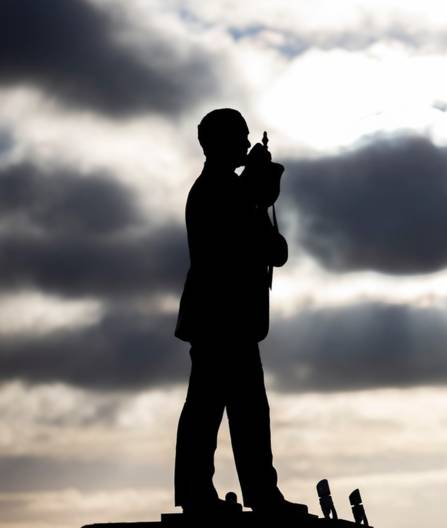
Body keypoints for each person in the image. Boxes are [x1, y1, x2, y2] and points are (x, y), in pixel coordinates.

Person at [173, 108, 307, 518]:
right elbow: (268, 245)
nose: (247, 146)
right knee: (220, 409)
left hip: (226, 322)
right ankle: (233, 494)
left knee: (232, 409)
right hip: (222, 322)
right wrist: (257, 192)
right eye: (239, 138)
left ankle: (242, 493)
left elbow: (271, 249)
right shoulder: (219, 191)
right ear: (215, 142)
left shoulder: (226, 189)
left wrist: (255, 192)